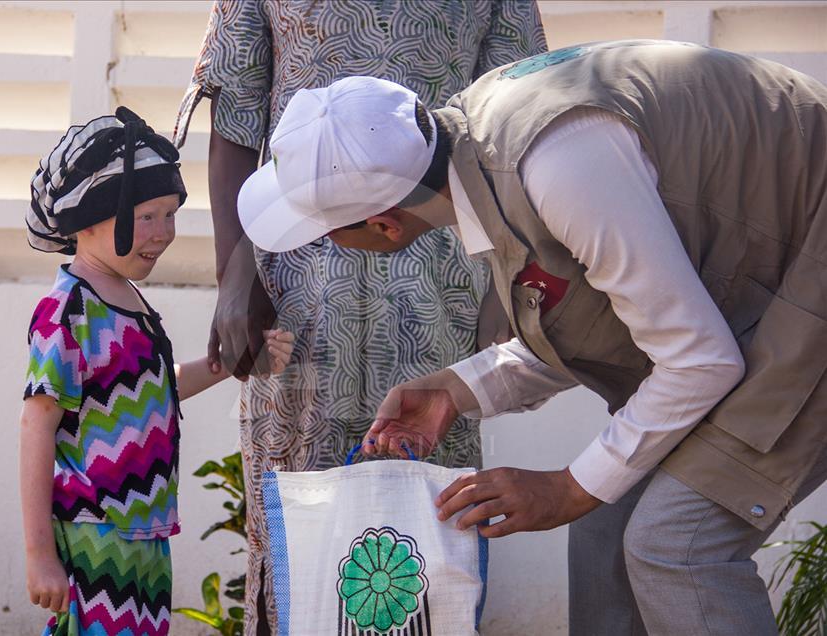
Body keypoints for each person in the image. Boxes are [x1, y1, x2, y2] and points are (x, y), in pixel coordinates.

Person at [235, 42, 827, 635]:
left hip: (809, 267)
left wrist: (566, 489)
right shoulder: (479, 140)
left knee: (676, 546)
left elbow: (697, 362)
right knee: (606, 526)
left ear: (384, 224)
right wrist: (455, 391)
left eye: (325, 233)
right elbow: (604, 318)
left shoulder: (558, 165)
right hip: (766, 287)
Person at [173, 2, 547, 632]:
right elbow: (236, 108)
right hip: (296, 269)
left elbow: (513, 112)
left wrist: (505, 282)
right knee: (299, 517)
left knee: (427, 512)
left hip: (441, 277)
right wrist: (235, 273)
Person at [19, 108, 293, 636]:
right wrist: (39, 554)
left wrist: (235, 362)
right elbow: (37, 426)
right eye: (148, 216)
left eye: (172, 214)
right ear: (90, 219)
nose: (164, 233)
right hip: (93, 531)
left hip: (145, 531)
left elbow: (155, 391)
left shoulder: (128, 299)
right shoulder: (68, 311)